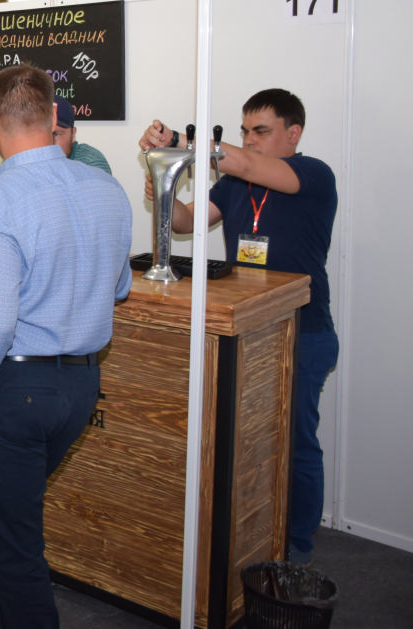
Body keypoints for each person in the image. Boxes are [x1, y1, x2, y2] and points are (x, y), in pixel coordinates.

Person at [0, 64, 132, 629]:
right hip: (80, 387)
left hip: (11, 393)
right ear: (53, 116)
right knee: (17, 531)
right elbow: (119, 287)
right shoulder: (108, 189)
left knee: (13, 554)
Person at [140, 88, 336, 565]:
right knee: (247, 440)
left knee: (296, 441)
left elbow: (246, 163)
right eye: (245, 131)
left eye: (261, 132)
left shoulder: (313, 174)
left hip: (302, 331)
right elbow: (185, 222)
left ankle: (297, 546)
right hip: (248, 328)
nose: (249, 141)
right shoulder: (233, 186)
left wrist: (181, 139)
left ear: (294, 133)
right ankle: (255, 534)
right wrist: (162, 184)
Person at [52, 96, 111, 174]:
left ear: (73, 134)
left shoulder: (90, 163)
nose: (49, 143)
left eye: (56, 134)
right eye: (44, 135)